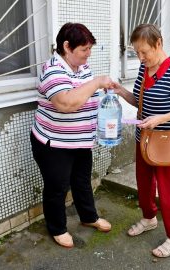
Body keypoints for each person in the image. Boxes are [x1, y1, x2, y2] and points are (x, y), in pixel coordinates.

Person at [112, 24, 170, 258]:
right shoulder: (144, 68)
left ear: (158, 44)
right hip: (144, 139)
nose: (140, 58)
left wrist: (161, 118)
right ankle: (149, 218)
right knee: (144, 183)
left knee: (168, 190)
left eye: (145, 52)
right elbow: (139, 102)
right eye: (136, 53)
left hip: (167, 141)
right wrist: (120, 90)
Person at [30, 23, 112, 248]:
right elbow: (66, 103)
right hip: (53, 143)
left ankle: (89, 217)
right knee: (57, 187)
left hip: (81, 141)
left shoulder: (82, 68)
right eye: (84, 49)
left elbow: (87, 97)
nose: (88, 54)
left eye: (89, 49)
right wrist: (96, 82)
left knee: (82, 181)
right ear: (67, 46)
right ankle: (57, 228)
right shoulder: (52, 69)